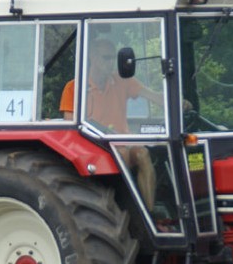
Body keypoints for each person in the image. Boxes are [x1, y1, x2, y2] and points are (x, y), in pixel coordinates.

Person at [59, 39, 163, 210]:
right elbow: (70, 127)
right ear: (92, 57)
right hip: (94, 144)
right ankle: (121, 209)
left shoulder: (123, 81)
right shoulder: (74, 88)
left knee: (143, 154)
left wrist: (176, 102)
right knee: (121, 155)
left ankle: (148, 213)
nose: (111, 62)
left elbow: (152, 96)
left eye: (113, 58)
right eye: (106, 57)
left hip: (122, 140)